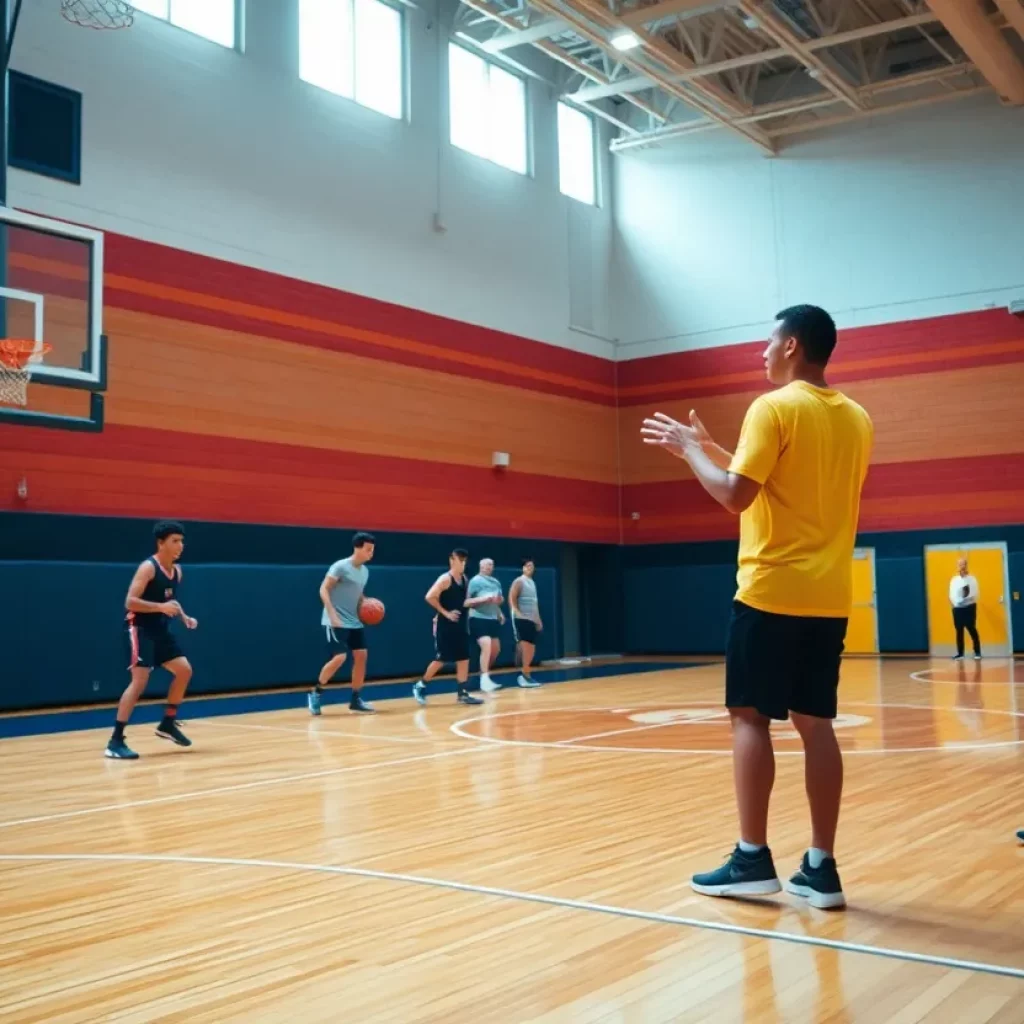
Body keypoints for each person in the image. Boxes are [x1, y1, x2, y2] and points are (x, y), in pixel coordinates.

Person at [642, 304, 873, 911]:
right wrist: (717, 445)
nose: (761, 353)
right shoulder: (856, 418)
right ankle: (820, 869)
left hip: (770, 591)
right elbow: (787, 480)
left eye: (768, 343)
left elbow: (735, 496)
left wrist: (690, 453)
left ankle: (752, 859)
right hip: (828, 597)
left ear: (792, 344)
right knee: (816, 724)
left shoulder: (772, 407)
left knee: (749, 718)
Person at [106, 520, 198, 760]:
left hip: (160, 629)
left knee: (184, 670)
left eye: (181, 541)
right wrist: (160, 607)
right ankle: (115, 741)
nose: (180, 545)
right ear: (161, 543)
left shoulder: (177, 571)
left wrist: (184, 617)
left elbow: (171, 603)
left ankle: (167, 722)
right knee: (139, 682)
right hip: (140, 628)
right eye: (175, 541)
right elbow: (130, 602)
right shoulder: (148, 568)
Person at [309, 531, 376, 716]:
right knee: (340, 658)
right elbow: (323, 589)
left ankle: (355, 699)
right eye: (368, 550)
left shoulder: (365, 572)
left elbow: (357, 594)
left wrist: (368, 603)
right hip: (335, 620)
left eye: (373, 550)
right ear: (357, 548)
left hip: (354, 621)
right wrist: (331, 613)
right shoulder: (340, 567)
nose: (371, 553)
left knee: (361, 656)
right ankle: (316, 692)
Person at [413, 548, 484, 706]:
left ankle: (462, 693)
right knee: (442, 659)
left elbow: (463, 602)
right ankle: (420, 685)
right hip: (445, 626)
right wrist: (445, 613)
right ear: (452, 561)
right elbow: (429, 596)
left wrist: (480, 602)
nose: (463, 564)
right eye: (461, 560)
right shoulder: (445, 579)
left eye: (465, 561)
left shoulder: (464, 579)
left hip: (460, 625)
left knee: (464, 658)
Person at [467, 558, 505, 692]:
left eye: (491, 565)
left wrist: (499, 610)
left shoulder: (496, 582)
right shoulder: (475, 581)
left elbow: (499, 600)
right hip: (478, 618)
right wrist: (483, 599)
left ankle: (484, 676)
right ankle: (484, 680)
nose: (489, 567)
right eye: (487, 565)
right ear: (480, 566)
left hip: (492, 618)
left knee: (495, 649)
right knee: (486, 644)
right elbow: (467, 601)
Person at [509, 558, 542, 688]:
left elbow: (535, 604)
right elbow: (511, 597)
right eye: (528, 566)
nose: (530, 568)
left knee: (531, 648)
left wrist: (538, 619)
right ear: (523, 568)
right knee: (525, 647)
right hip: (521, 618)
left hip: (532, 619)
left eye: (532, 566)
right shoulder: (519, 581)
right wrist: (516, 612)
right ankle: (524, 676)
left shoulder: (532, 583)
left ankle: (526, 674)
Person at [949, 557, 982, 661]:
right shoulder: (954, 580)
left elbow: (975, 593)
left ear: (966, 565)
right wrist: (955, 602)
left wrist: (966, 598)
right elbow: (951, 594)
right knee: (959, 631)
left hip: (969, 607)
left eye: (963, 564)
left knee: (971, 628)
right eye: (959, 564)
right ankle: (960, 653)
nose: (961, 566)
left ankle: (977, 651)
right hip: (957, 608)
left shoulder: (972, 579)